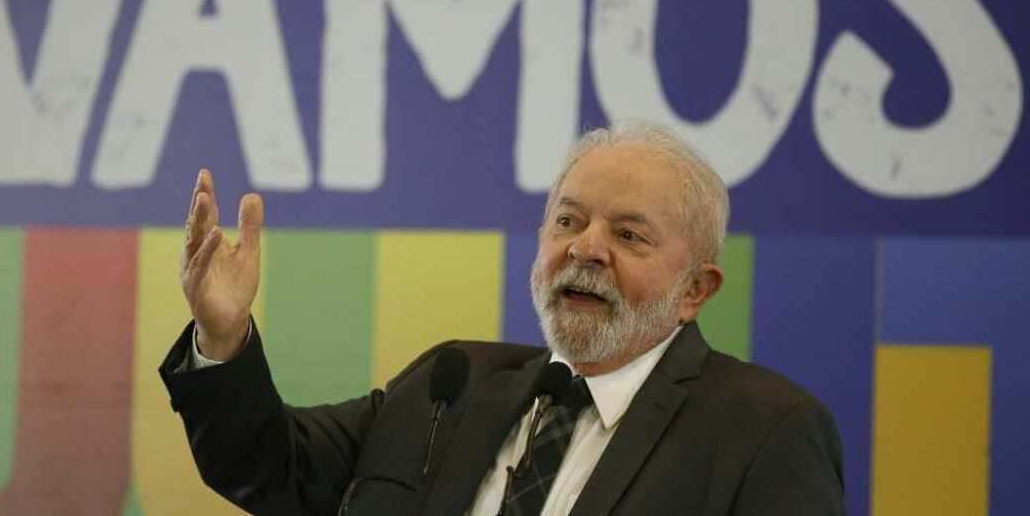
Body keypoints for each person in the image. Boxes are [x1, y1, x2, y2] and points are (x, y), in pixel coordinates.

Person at [159, 122, 845, 515]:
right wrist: (223, 336)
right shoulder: (449, 384)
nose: (586, 248)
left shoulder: (764, 430)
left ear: (697, 289)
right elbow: (269, 465)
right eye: (569, 220)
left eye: (629, 235)